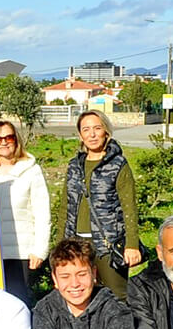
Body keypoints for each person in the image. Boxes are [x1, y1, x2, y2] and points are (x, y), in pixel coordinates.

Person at [56, 110, 141, 299]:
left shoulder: (118, 164)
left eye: (97, 128)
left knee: (117, 296)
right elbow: (65, 207)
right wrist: (59, 245)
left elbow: (129, 207)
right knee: (80, 296)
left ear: (106, 131)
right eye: (86, 130)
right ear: (80, 135)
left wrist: (131, 244)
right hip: (76, 243)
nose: (92, 134)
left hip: (107, 244)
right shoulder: (74, 166)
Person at [0, 119, 51, 307]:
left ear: (16, 140)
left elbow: (42, 213)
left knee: (18, 303)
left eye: (9, 137)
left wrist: (40, 250)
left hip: (21, 252)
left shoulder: (32, 171)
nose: (4, 142)